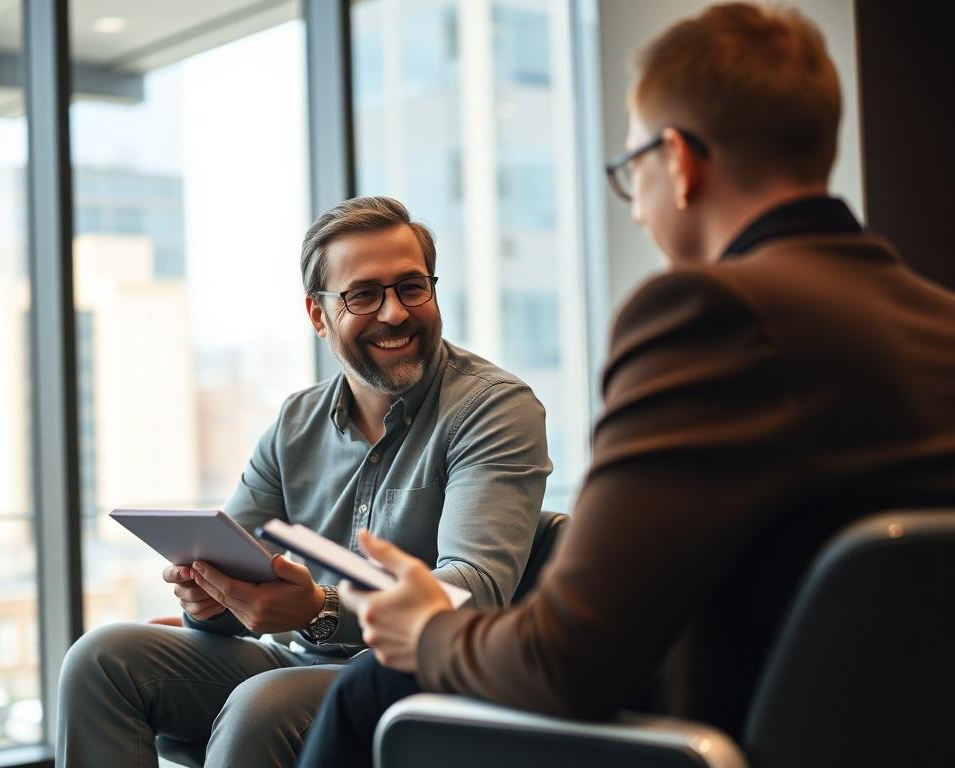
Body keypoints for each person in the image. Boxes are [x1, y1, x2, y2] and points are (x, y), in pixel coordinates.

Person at [296, 5, 955, 767]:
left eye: (629, 170)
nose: (636, 205)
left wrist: (426, 629)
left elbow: (566, 661)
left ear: (678, 162)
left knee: (372, 687)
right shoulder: (939, 319)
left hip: (716, 745)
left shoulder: (710, 313)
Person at [55, 196, 552, 768]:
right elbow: (233, 557)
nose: (394, 312)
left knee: (262, 704)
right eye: (364, 294)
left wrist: (321, 607)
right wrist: (206, 599)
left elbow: (473, 592)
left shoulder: (493, 408)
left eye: (411, 286)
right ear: (318, 316)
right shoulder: (295, 423)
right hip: (296, 661)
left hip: (423, 674)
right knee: (100, 658)